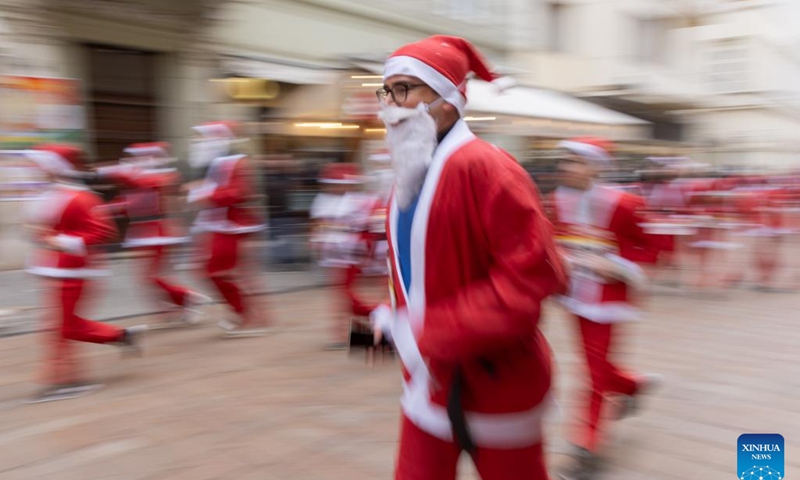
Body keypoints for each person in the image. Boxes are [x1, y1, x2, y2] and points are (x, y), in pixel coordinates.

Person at [368, 35, 567, 480]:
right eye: (387, 91)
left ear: (446, 99)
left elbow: (531, 281)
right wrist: (392, 314)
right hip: (428, 386)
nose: (389, 105)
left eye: (404, 90)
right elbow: (419, 271)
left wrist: (422, 330)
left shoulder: (490, 169)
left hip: (497, 387)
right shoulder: (410, 174)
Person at [548, 137, 662, 480]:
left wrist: (620, 267)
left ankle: (586, 446)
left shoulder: (624, 203)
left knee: (593, 376)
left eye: (576, 161)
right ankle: (632, 384)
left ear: (596, 166)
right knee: (594, 366)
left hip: (608, 300)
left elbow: (652, 248)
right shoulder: (558, 199)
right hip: (575, 298)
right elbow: (556, 238)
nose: (567, 168)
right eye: (565, 161)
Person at [22, 144, 147, 403]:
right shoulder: (53, 194)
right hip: (54, 268)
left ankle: (66, 379)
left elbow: (104, 231)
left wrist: (63, 242)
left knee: (63, 327)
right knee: (57, 326)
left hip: (74, 270)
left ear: (55, 167)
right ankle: (64, 377)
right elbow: (46, 230)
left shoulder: (80, 197)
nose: (37, 170)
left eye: (41, 165)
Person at [96, 142, 208, 327]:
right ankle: (173, 308)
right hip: (143, 231)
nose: (135, 161)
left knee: (151, 277)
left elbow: (139, 190)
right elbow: (127, 202)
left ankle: (188, 298)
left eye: (140, 157)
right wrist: (102, 209)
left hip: (160, 232)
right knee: (147, 278)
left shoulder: (163, 176)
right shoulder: (139, 179)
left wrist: (111, 172)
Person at [187, 121, 268, 337]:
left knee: (221, 271)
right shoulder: (213, 163)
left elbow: (238, 193)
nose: (200, 142)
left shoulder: (236, 162)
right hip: (217, 224)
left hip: (233, 225)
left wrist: (204, 194)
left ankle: (247, 315)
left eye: (205, 138)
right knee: (224, 272)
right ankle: (248, 314)